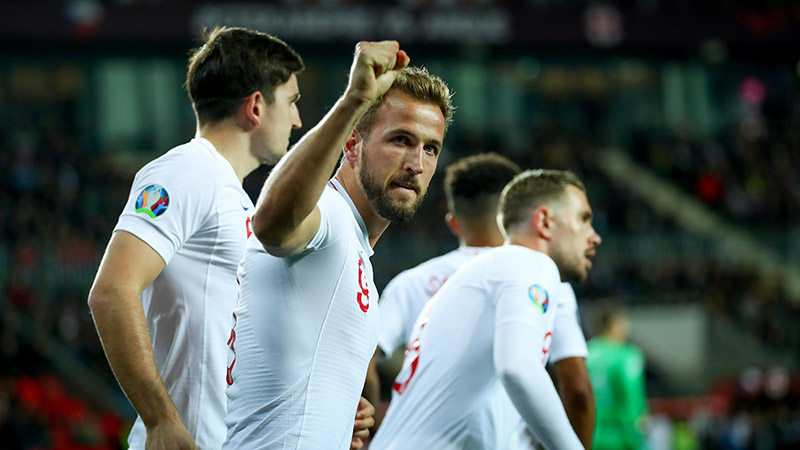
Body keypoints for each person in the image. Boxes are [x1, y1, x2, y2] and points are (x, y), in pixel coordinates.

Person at [87, 27, 369, 450]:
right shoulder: (187, 169)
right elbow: (111, 291)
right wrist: (161, 420)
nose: (297, 120)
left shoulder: (236, 199)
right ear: (256, 106)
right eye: (292, 102)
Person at [222, 42, 454, 449]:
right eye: (401, 140)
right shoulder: (328, 216)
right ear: (351, 145)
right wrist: (353, 102)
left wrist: (339, 417)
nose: (417, 164)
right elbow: (271, 223)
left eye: (430, 148)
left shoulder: (356, 247)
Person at [372, 154, 595, 448]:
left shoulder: (450, 276)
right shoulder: (529, 264)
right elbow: (521, 368)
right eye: (583, 219)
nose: (594, 236)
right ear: (543, 221)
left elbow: (364, 355)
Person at [587, 307, 648, 450]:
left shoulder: (585, 353)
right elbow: (630, 392)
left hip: (591, 434)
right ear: (615, 325)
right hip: (620, 434)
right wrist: (637, 421)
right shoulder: (627, 355)